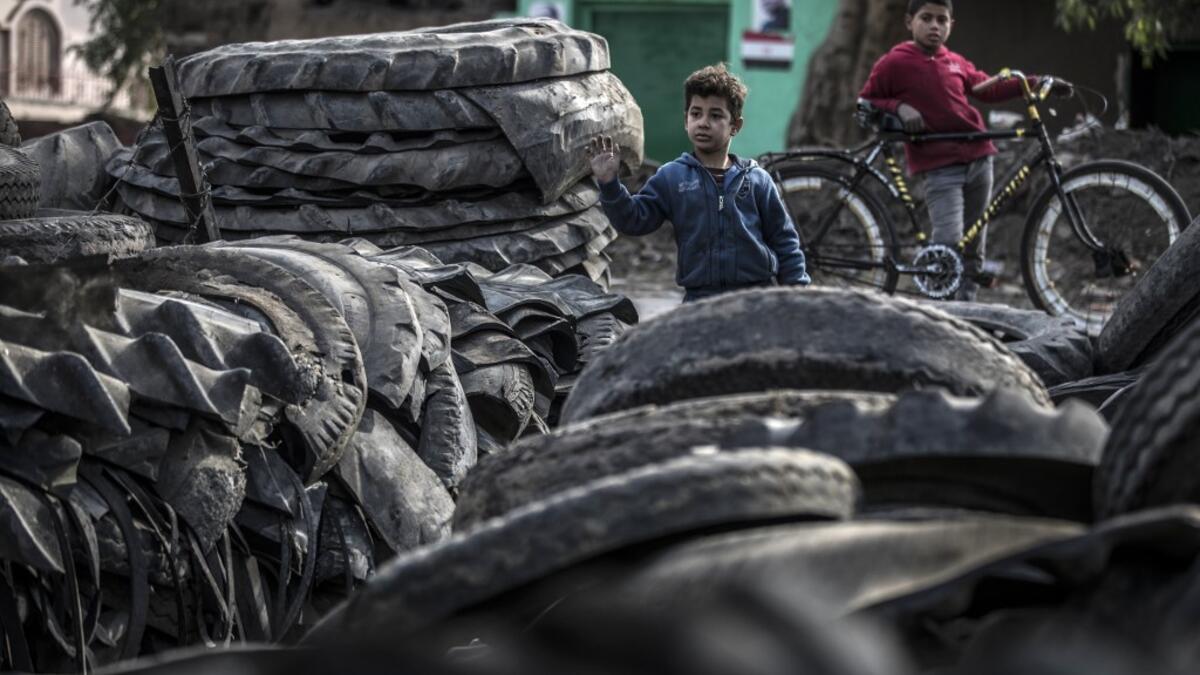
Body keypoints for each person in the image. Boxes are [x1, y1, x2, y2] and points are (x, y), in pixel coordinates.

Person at [859, 0, 1068, 300]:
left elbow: (987, 88)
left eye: (942, 20)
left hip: (979, 157)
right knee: (947, 241)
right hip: (939, 164)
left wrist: (1035, 83)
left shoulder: (955, 61)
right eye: (926, 18)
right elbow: (867, 101)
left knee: (973, 243)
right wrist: (900, 107)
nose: (935, 26)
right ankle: (940, 308)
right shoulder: (895, 62)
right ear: (909, 22)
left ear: (951, 26)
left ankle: (966, 310)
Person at [588, 63, 810, 303]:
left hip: (756, 298)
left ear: (735, 126)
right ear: (686, 120)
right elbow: (633, 219)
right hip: (699, 300)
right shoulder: (672, 177)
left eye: (715, 115)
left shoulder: (758, 180)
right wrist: (609, 182)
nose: (703, 122)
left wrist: (797, 293)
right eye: (696, 113)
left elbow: (785, 240)